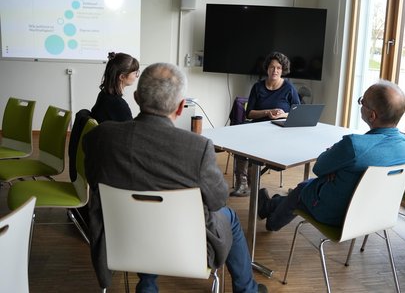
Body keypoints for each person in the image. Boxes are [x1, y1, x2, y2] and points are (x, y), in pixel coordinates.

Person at [83, 62, 268, 293]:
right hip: (185, 248)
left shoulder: (99, 137)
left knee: (146, 206)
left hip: (122, 239)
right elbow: (218, 200)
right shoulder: (197, 148)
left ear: (138, 98)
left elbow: (93, 181)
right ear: (181, 107)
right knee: (228, 215)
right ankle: (247, 290)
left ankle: (148, 284)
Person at [258, 80, 405, 231]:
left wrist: (334, 159)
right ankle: (271, 204)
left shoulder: (354, 146)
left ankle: (272, 222)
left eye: (362, 102)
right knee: (306, 189)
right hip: (373, 215)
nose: (361, 104)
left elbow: (319, 168)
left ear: (372, 116)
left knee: (302, 189)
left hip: (337, 215)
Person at [231, 51, 301, 197]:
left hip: (279, 132)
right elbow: (249, 113)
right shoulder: (258, 87)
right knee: (239, 142)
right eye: (272, 67)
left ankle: (251, 181)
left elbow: (298, 112)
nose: (275, 71)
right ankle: (241, 183)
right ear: (267, 68)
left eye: (278, 68)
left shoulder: (289, 88)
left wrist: (283, 114)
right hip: (256, 129)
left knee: (255, 147)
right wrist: (267, 112)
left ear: (283, 70)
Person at [90, 51, 140, 123]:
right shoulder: (118, 104)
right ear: (122, 77)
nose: (137, 76)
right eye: (135, 73)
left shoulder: (103, 94)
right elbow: (130, 132)